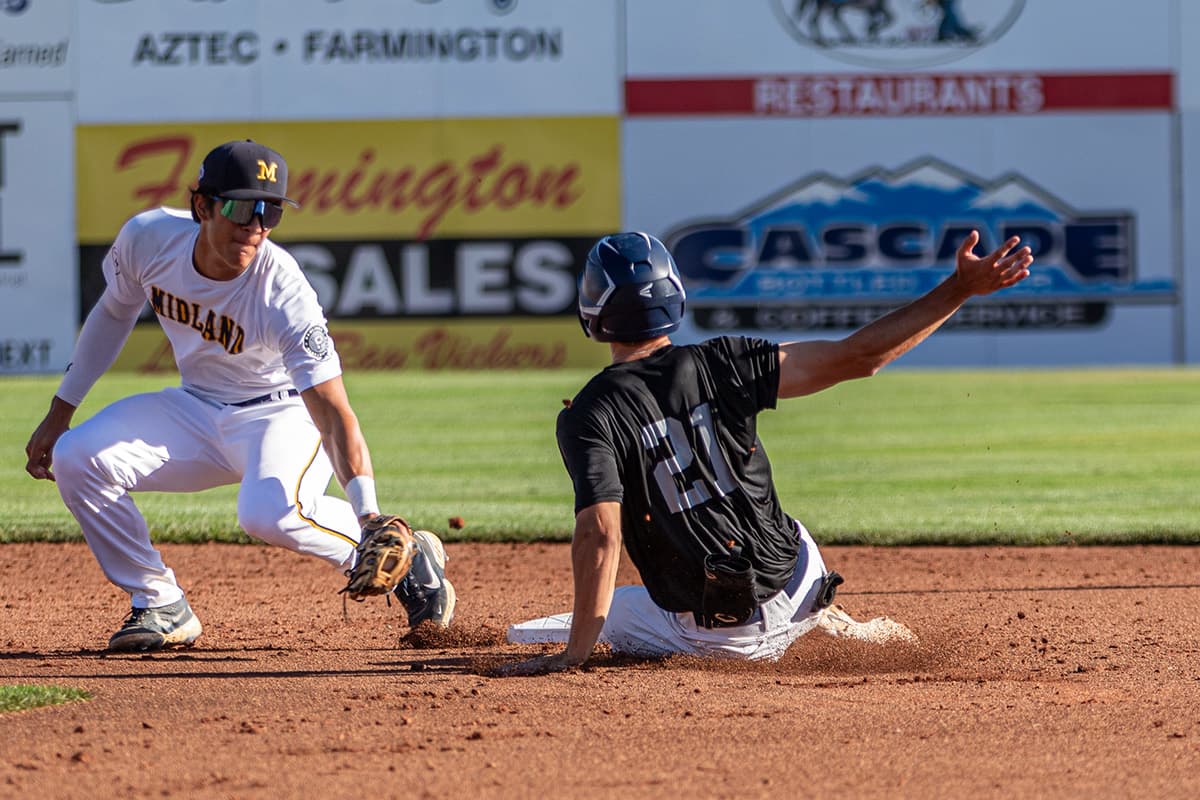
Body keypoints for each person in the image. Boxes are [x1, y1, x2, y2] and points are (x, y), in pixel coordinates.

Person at [504, 229, 1032, 674]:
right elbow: (860, 357)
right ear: (674, 298)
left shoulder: (590, 413)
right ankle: (819, 619)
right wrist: (959, 289)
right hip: (801, 580)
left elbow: (601, 535)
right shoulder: (726, 360)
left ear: (591, 312)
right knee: (773, 520)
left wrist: (575, 655)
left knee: (568, 625)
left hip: (723, 641)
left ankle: (577, 646)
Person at [24, 139, 454, 652]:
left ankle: (412, 568)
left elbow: (333, 412)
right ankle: (159, 602)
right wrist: (60, 413)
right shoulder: (148, 239)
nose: (256, 224)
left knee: (266, 513)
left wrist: (370, 516)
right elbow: (114, 313)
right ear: (201, 206)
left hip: (280, 413)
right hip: (195, 407)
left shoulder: (283, 289)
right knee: (77, 457)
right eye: (241, 206)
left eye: (271, 210)